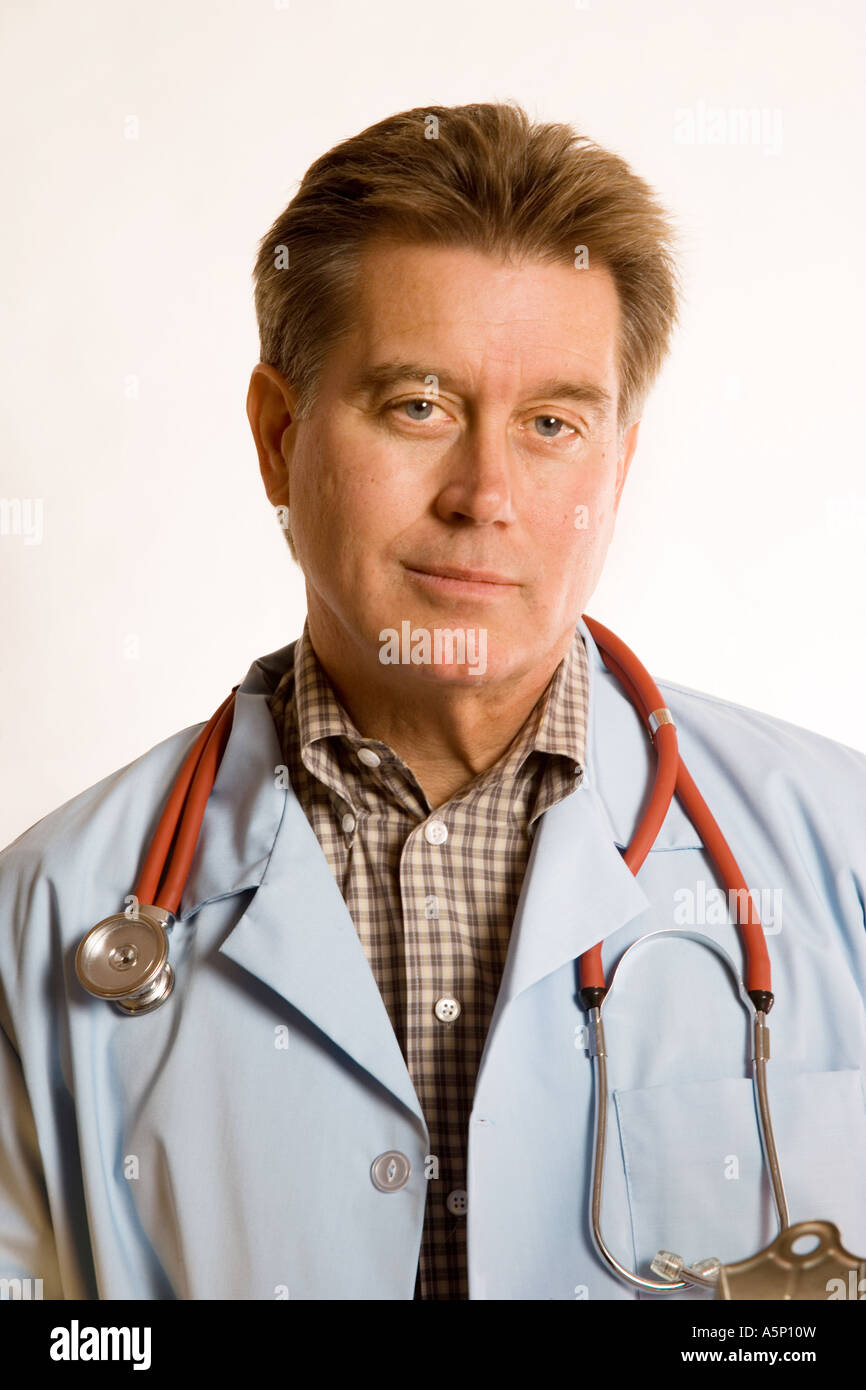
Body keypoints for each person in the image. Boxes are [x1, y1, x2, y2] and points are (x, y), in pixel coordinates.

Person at [2, 101, 865, 1303]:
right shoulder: (48, 915)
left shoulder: (841, 853)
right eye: (418, 404)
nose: (485, 493)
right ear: (275, 435)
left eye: (552, 424)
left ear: (614, 469)